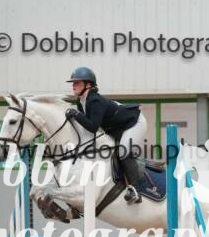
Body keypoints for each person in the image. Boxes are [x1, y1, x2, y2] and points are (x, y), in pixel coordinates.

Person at [63, 67, 147, 203]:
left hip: (135, 123)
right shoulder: (81, 102)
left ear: (88, 85)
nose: (73, 85)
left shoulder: (95, 100)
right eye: (73, 83)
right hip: (117, 128)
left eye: (77, 83)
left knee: (123, 151)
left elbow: (93, 127)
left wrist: (76, 114)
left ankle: (135, 191)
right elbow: (86, 127)